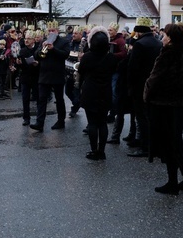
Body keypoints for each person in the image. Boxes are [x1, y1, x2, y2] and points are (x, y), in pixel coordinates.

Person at [144, 23, 183, 194]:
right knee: (177, 142)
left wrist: (146, 96)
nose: (162, 38)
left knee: (168, 144)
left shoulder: (166, 55)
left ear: (171, 38)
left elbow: (154, 80)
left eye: (165, 35)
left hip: (163, 105)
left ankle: (172, 182)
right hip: (179, 103)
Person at [78, 26, 117, 160]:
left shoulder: (88, 57)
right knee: (102, 123)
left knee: (92, 123)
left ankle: (94, 150)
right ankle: (102, 151)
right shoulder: (110, 57)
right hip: (105, 91)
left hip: (90, 91)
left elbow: (81, 71)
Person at [126, 16, 162, 157]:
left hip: (139, 86)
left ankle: (145, 146)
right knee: (152, 116)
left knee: (141, 117)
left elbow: (132, 68)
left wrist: (130, 86)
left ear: (139, 31)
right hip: (154, 84)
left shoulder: (139, 45)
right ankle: (153, 144)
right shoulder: (158, 43)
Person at [31, 21, 70, 132]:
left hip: (57, 75)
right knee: (42, 99)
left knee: (59, 99)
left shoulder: (63, 42)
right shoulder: (44, 41)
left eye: (53, 31)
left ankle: (61, 121)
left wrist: (53, 49)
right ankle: (39, 123)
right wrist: (42, 50)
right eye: (49, 31)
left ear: (57, 31)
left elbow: (65, 55)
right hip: (44, 75)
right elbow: (38, 56)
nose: (51, 33)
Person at [16, 30, 40, 126]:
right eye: (25, 39)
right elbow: (20, 64)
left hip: (36, 77)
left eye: (29, 39)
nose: (26, 41)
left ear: (33, 40)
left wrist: (37, 64)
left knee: (38, 98)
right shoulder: (22, 50)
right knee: (25, 99)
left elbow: (42, 62)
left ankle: (39, 118)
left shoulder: (38, 49)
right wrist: (18, 64)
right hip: (25, 77)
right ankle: (26, 118)